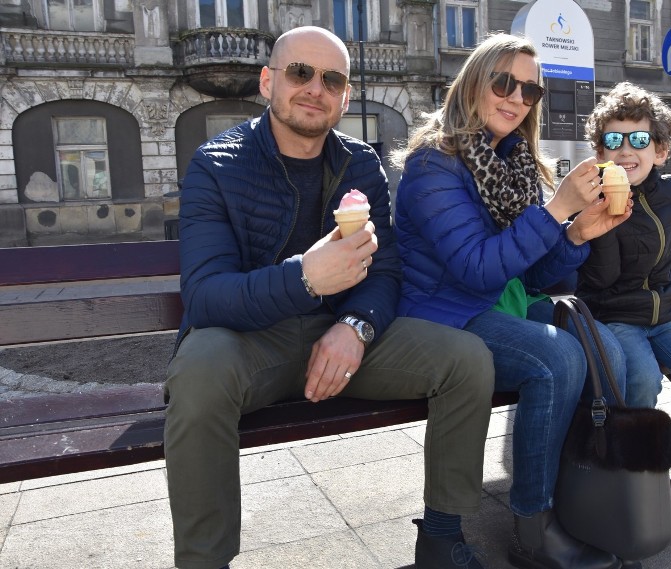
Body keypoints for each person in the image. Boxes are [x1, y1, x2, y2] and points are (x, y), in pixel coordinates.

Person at [165, 26, 496, 569]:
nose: (314, 88)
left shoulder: (361, 162)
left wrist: (355, 327)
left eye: (332, 79)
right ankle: (204, 561)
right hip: (251, 342)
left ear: (345, 95)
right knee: (197, 374)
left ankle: (441, 536)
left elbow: (386, 270)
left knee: (466, 360)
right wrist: (304, 279)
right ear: (268, 81)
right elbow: (205, 298)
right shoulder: (216, 163)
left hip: (341, 337)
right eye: (300, 73)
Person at [392, 34, 631, 569]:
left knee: (605, 349)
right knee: (556, 358)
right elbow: (477, 268)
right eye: (504, 82)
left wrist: (575, 234)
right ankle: (533, 527)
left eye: (531, 90)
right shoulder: (435, 164)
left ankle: (583, 504)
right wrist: (555, 211)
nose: (517, 97)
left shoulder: (515, 162)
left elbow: (535, 274)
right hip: (445, 316)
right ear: (473, 83)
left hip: (502, 305)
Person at [577, 82, 671, 534]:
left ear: (660, 150)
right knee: (642, 383)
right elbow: (598, 281)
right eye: (613, 140)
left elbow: (666, 248)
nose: (626, 150)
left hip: (664, 314)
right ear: (600, 150)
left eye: (639, 140)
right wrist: (602, 219)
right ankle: (641, 481)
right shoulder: (590, 201)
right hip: (614, 313)